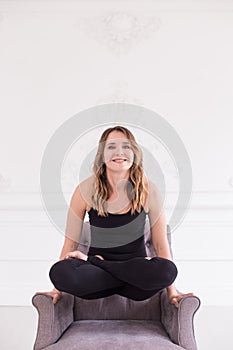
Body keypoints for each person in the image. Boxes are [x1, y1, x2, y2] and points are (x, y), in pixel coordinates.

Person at [37, 125, 193, 307]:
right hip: (96, 280)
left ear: (134, 153)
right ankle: (101, 266)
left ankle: (96, 262)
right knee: (59, 272)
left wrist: (172, 292)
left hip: (136, 282)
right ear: (102, 155)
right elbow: (70, 244)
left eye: (126, 146)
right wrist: (57, 289)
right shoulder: (84, 191)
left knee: (167, 271)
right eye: (111, 147)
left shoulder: (149, 191)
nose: (119, 152)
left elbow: (160, 244)